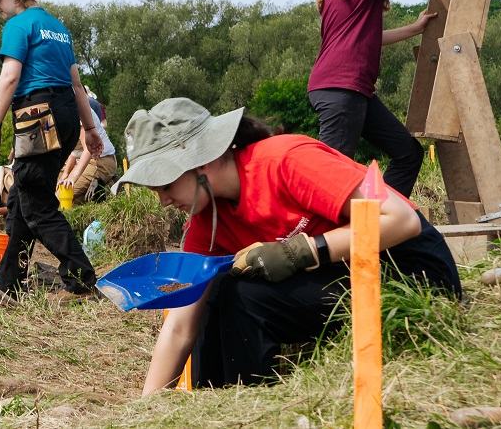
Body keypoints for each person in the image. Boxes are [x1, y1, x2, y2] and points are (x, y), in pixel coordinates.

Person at [113, 98, 461, 392]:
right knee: (215, 290)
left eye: (164, 184)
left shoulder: (285, 159)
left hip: (410, 271)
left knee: (242, 295)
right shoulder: (208, 221)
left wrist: (302, 252)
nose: (163, 201)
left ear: (201, 161)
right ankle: (217, 403)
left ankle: (246, 401)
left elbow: (402, 219)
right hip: (344, 274)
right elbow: (179, 326)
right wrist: (148, 409)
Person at [309, 0, 492, 197]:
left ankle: (384, 225)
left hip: (350, 89)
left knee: (407, 153)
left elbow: (366, 38)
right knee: (332, 176)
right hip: (342, 88)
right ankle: (320, 239)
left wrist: (414, 28)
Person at [0, 0, 104, 301]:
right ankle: (9, 284)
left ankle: (81, 278)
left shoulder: (18, 25)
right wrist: (90, 129)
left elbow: (10, 77)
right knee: (22, 198)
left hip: (38, 114)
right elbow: (77, 84)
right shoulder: (59, 28)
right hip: (65, 114)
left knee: (37, 205)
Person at [57, 97, 117, 203]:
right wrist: (66, 174)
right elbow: (74, 151)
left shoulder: (75, 107)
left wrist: (73, 177)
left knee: (62, 197)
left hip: (100, 160)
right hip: (81, 161)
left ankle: (109, 187)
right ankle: (104, 187)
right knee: (60, 195)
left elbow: (88, 149)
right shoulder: (58, 110)